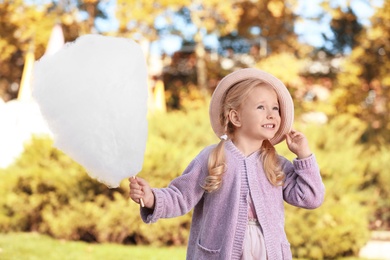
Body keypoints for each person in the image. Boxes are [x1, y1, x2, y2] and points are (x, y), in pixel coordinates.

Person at [129, 68, 325, 260]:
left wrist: (304, 156)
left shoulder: (276, 163)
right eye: (261, 107)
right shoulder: (212, 157)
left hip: (269, 252)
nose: (271, 114)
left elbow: (311, 198)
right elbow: (180, 196)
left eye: (275, 108)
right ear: (236, 117)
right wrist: (151, 197)